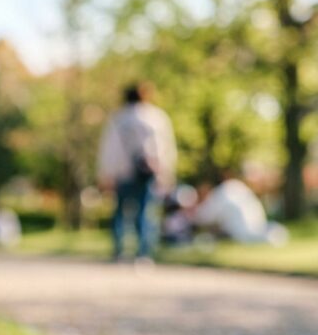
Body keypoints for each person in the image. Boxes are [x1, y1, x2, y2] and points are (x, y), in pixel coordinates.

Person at [98, 83, 177, 261]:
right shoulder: (156, 118)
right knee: (145, 212)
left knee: (120, 212)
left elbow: (110, 149)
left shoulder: (118, 119)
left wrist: (106, 173)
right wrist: (166, 172)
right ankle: (144, 252)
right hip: (148, 173)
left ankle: (119, 251)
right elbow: (165, 148)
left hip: (123, 173)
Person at [195, 178, 286, 244]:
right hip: (256, 226)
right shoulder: (235, 188)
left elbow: (205, 218)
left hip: (240, 233)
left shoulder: (221, 194)